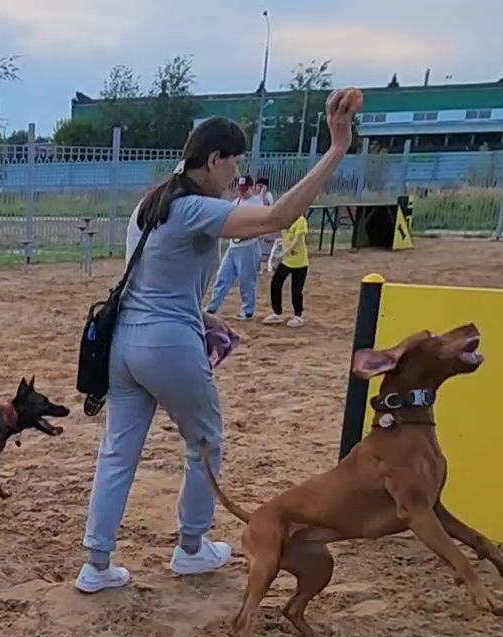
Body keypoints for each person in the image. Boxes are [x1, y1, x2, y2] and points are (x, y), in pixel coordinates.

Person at [75, 92, 361, 594]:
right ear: (214, 159)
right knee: (205, 444)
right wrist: (336, 150)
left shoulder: (151, 204)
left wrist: (203, 316)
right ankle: (191, 549)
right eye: (235, 162)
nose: (237, 173)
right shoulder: (194, 209)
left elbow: (153, 283)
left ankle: (96, 564)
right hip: (167, 344)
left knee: (118, 454)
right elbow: (276, 220)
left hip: (126, 344)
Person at [205, 175, 274, 320]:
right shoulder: (236, 202)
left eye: (245, 189)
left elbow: (260, 224)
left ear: (251, 187)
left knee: (246, 280)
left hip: (248, 245)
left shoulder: (256, 203)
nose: (242, 192)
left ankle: (248, 311)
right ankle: (212, 307)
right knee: (223, 276)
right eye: (240, 188)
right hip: (234, 245)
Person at [263, 209, 311, 327]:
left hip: (300, 263)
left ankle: (298, 316)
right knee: (275, 283)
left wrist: (284, 253)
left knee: (296, 290)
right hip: (287, 262)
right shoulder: (286, 222)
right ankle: (277, 313)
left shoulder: (301, 221)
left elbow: (298, 240)